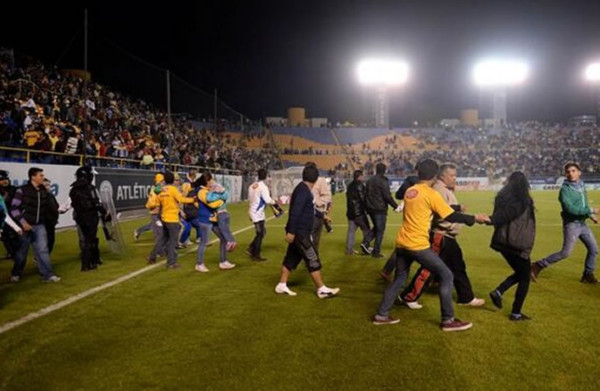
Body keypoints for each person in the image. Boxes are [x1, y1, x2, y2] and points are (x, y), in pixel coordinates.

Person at [372, 159, 489, 331]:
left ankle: (381, 315)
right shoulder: (431, 194)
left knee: (399, 279)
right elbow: (449, 215)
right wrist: (475, 218)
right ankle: (448, 320)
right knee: (447, 275)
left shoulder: (411, 191)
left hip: (402, 243)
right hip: (417, 244)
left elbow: (426, 207)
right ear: (435, 176)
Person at [398, 164, 485, 308]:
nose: (454, 178)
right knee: (430, 268)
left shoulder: (442, 190)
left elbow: (445, 208)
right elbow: (444, 214)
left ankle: (466, 297)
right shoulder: (438, 190)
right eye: (452, 175)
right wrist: (473, 218)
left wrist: (459, 209)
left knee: (457, 266)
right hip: (441, 235)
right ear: (442, 176)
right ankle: (408, 297)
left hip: (446, 236)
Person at [274, 164, 340, 299]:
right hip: (300, 233)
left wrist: (323, 216)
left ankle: (282, 284)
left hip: (298, 232)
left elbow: (310, 209)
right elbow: (295, 213)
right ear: (316, 180)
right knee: (312, 258)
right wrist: (291, 232)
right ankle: (321, 289)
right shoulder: (303, 191)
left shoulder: (302, 189)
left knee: (291, 259)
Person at [531, 162, 599, 283]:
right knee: (566, 252)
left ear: (579, 173)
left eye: (573, 171)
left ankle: (587, 275)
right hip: (572, 225)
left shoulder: (582, 185)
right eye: (568, 171)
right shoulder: (565, 190)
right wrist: (592, 210)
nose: (570, 173)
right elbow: (571, 209)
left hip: (582, 224)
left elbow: (583, 204)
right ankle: (537, 265)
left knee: (593, 249)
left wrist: (590, 216)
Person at [488, 171, 536, 321]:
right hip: (516, 243)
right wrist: (491, 220)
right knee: (525, 277)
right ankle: (516, 313)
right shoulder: (521, 200)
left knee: (522, 272)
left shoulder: (502, 197)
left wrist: (492, 219)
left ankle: (499, 291)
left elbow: (501, 214)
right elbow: (507, 215)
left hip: (502, 242)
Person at [10, 167, 61, 282]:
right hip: (25, 225)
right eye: (41, 175)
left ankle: (48, 275)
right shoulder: (22, 190)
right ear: (33, 177)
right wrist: (23, 222)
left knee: (43, 250)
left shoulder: (44, 191)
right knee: (22, 251)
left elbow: (50, 208)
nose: (43, 177)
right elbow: (13, 208)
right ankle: (16, 273)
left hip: (40, 225)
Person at [147, 171, 196, 269]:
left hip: (164, 218)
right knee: (172, 242)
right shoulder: (173, 190)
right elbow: (181, 199)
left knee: (163, 239)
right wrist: (193, 199)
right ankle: (171, 263)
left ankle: (152, 256)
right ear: (173, 180)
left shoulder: (161, 190)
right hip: (172, 219)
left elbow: (156, 202)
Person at [70, 166, 110, 271]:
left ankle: (94, 259)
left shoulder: (73, 189)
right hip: (90, 216)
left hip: (79, 216)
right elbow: (96, 203)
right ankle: (87, 263)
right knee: (90, 240)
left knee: (88, 239)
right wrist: (104, 212)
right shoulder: (90, 188)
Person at [197, 173, 236, 270]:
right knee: (204, 242)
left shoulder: (209, 190)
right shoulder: (201, 192)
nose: (211, 182)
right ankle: (199, 264)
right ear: (205, 182)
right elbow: (212, 205)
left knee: (223, 238)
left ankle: (223, 261)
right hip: (205, 219)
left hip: (213, 219)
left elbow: (224, 196)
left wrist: (220, 196)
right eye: (209, 181)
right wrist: (221, 200)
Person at [365, 163, 401, 258]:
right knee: (380, 230)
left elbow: (366, 194)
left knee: (377, 227)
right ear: (384, 170)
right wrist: (395, 206)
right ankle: (376, 252)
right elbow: (387, 196)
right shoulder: (383, 181)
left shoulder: (369, 180)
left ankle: (365, 242)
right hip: (379, 209)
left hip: (370, 208)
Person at [247, 168, 276, 261]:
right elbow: (267, 200)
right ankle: (255, 254)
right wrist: (274, 202)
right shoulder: (263, 187)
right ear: (266, 176)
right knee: (260, 233)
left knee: (262, 232)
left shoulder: (252, 186)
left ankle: (251, 248)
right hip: (257, 212)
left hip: (254, 210)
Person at [345, 169, 374, 255]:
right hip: (359, 213)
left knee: (351, 232)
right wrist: (368, 209)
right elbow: (363, 199)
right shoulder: (360, 185)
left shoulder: (349, 185)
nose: (363, 177)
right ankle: (366, 246)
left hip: (350, 213)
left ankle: (349, 250)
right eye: (362, 176)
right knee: (367, 230)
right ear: (359, 176)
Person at [307, 162, 332, 252]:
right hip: (307, 214)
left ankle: (313, 258)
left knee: (315, 238)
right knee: (309, 238)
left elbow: (328, 196)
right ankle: (311, 258)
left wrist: (317, 203)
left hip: (318, 213)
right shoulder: (303, 182)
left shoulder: (320, 180)